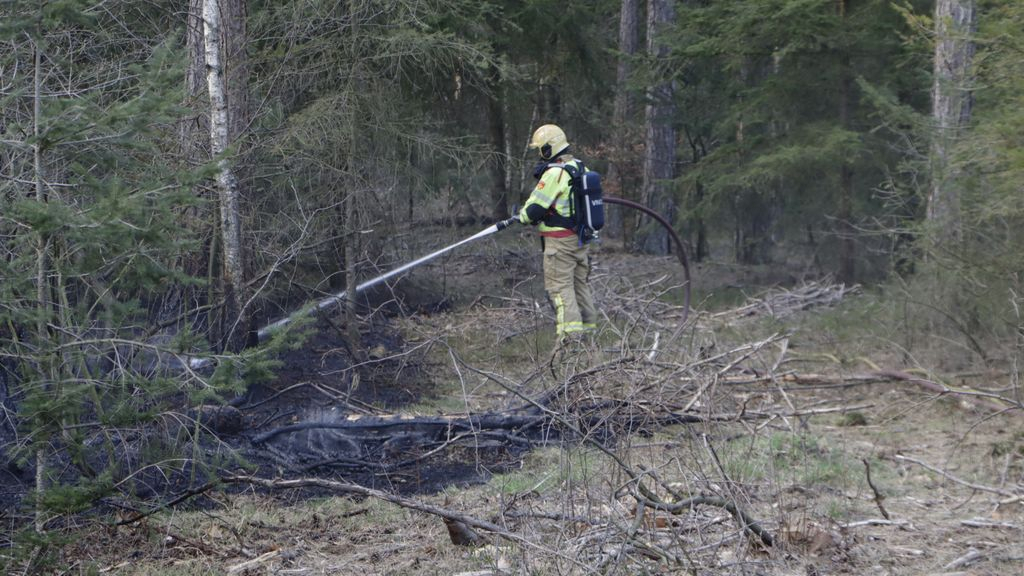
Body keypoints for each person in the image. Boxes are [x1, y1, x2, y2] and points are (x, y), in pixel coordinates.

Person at [518, 124, 597, 340]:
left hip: (559, 245)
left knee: (561, 290)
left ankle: (570, 347)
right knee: (580, 287)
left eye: (540, 149)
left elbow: (533, 210)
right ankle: (589, 341)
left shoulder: (555, 173)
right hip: (580, 242)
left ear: (548, 149)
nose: (539, 154)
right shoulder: (581, 168)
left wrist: (521, 217)